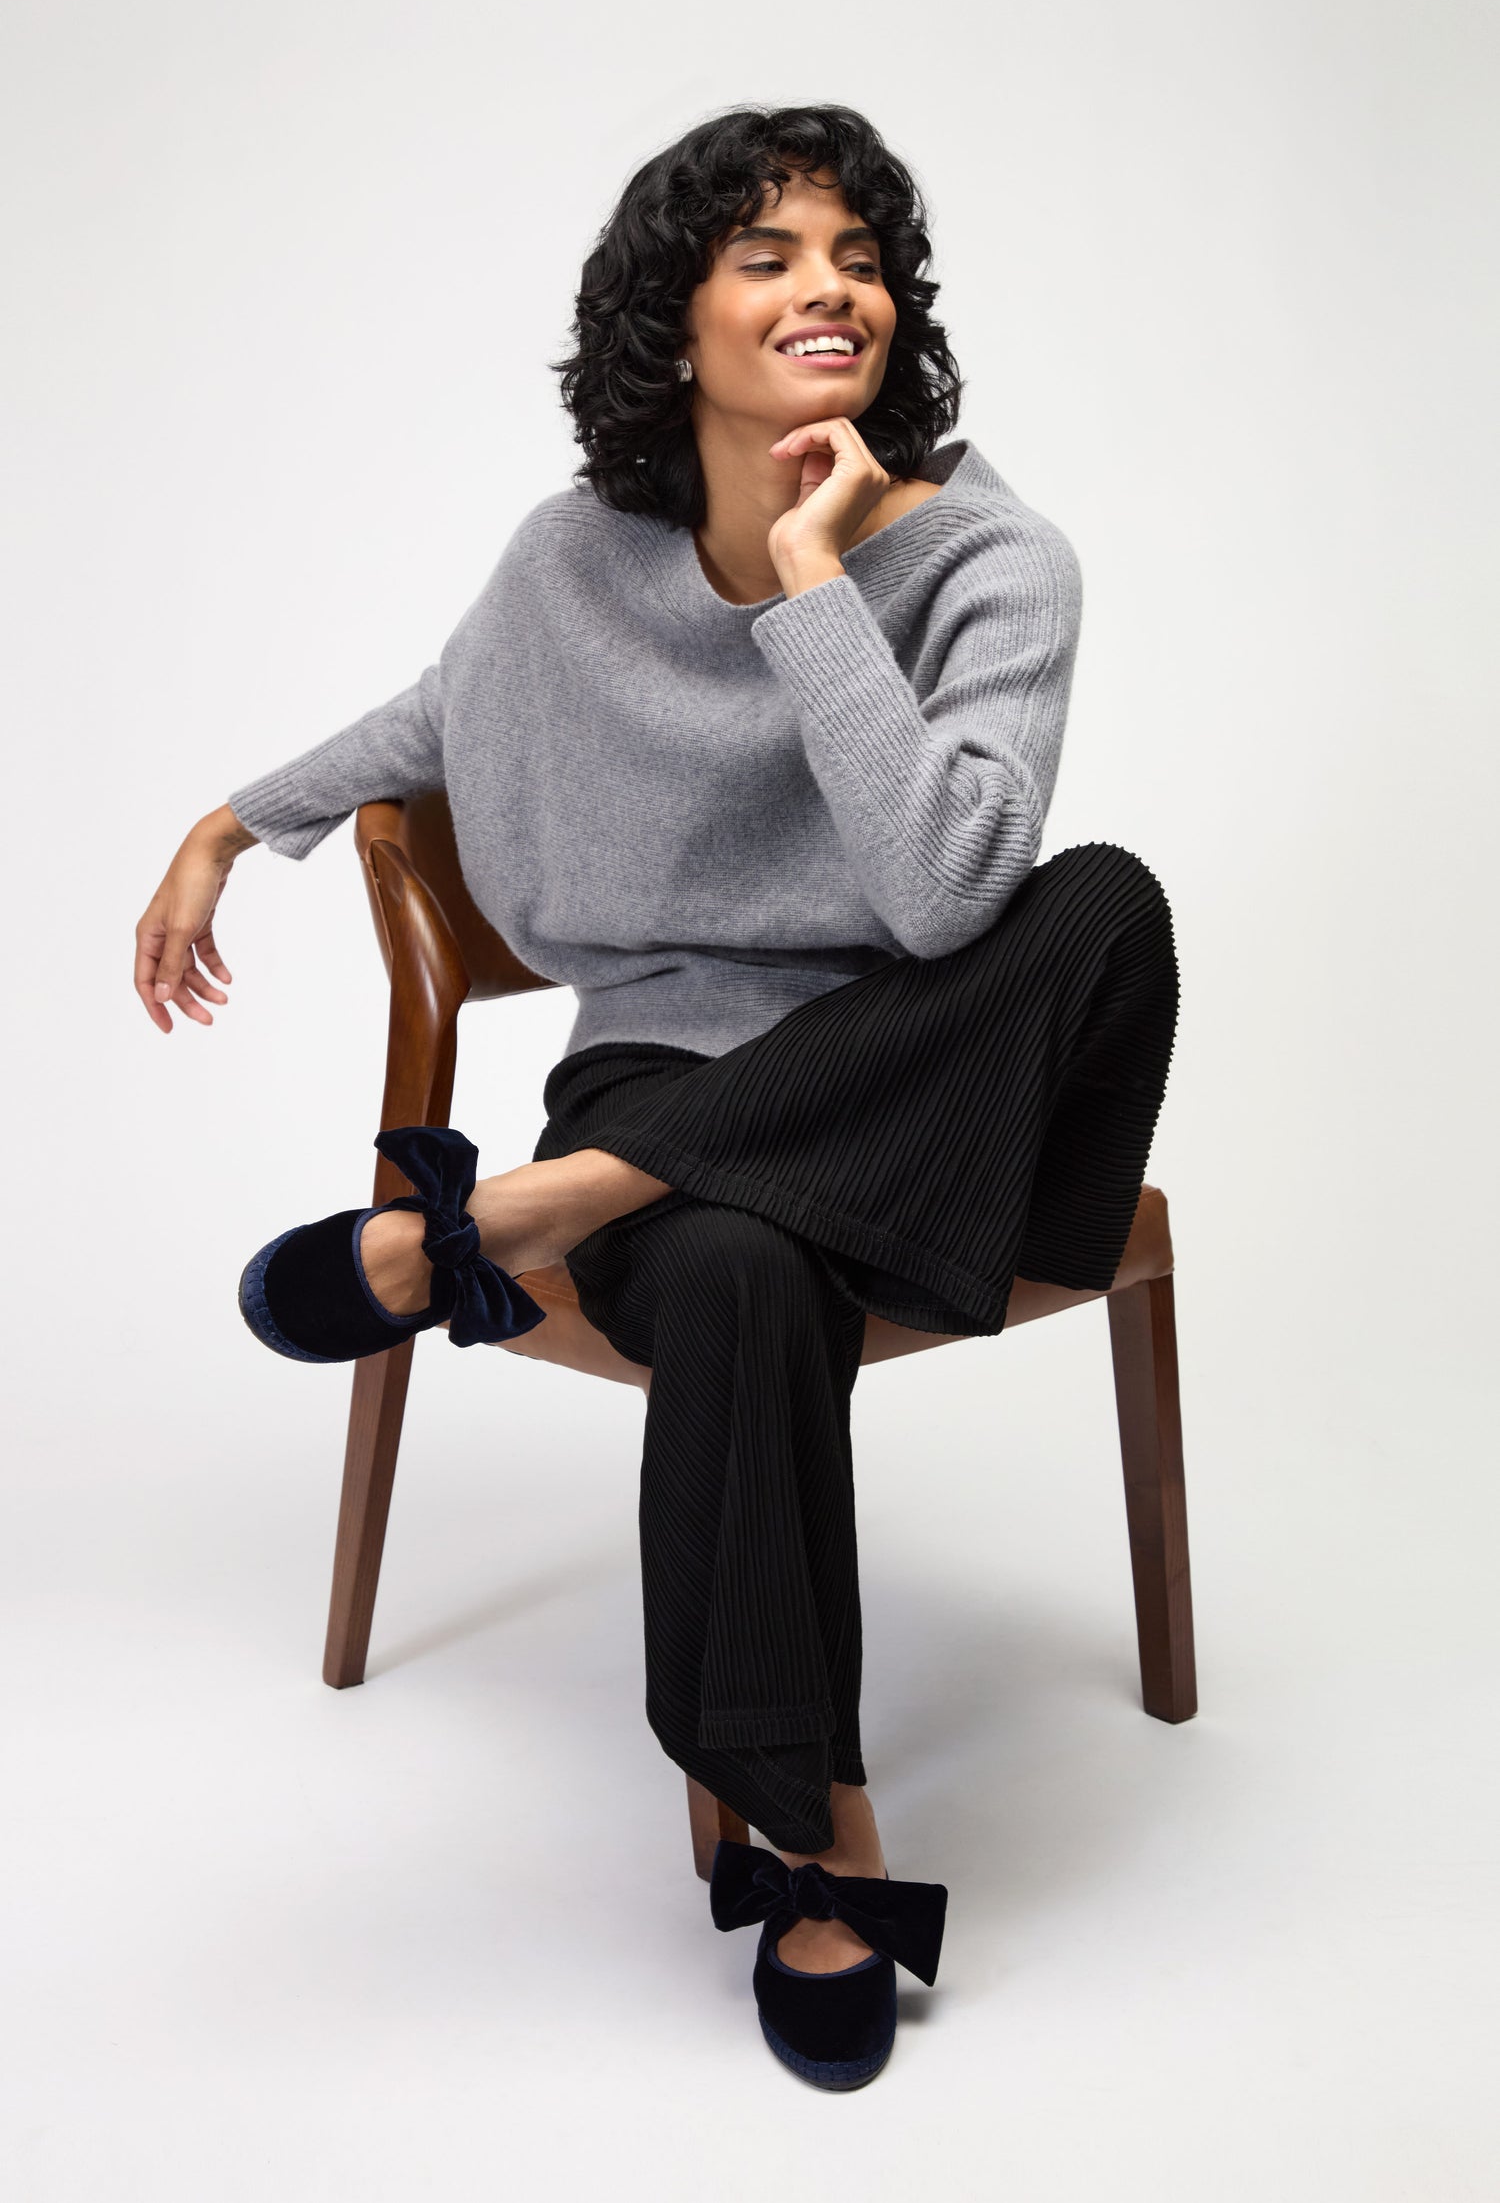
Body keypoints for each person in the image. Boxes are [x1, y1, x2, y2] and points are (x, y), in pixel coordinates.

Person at [133, 102, 1179, 2091]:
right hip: (691, 1100)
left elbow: (956, 894)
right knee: (725, 1278)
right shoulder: (573, 560)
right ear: (670, 316)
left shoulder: (993, 561)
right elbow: (441, 723)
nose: (829, 287)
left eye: (859, 253)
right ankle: (811, 1833)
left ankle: (518, 1216)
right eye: (771, 253)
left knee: (1098, 904)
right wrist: (227, 824)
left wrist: (806, 579)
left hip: (935, 1111)